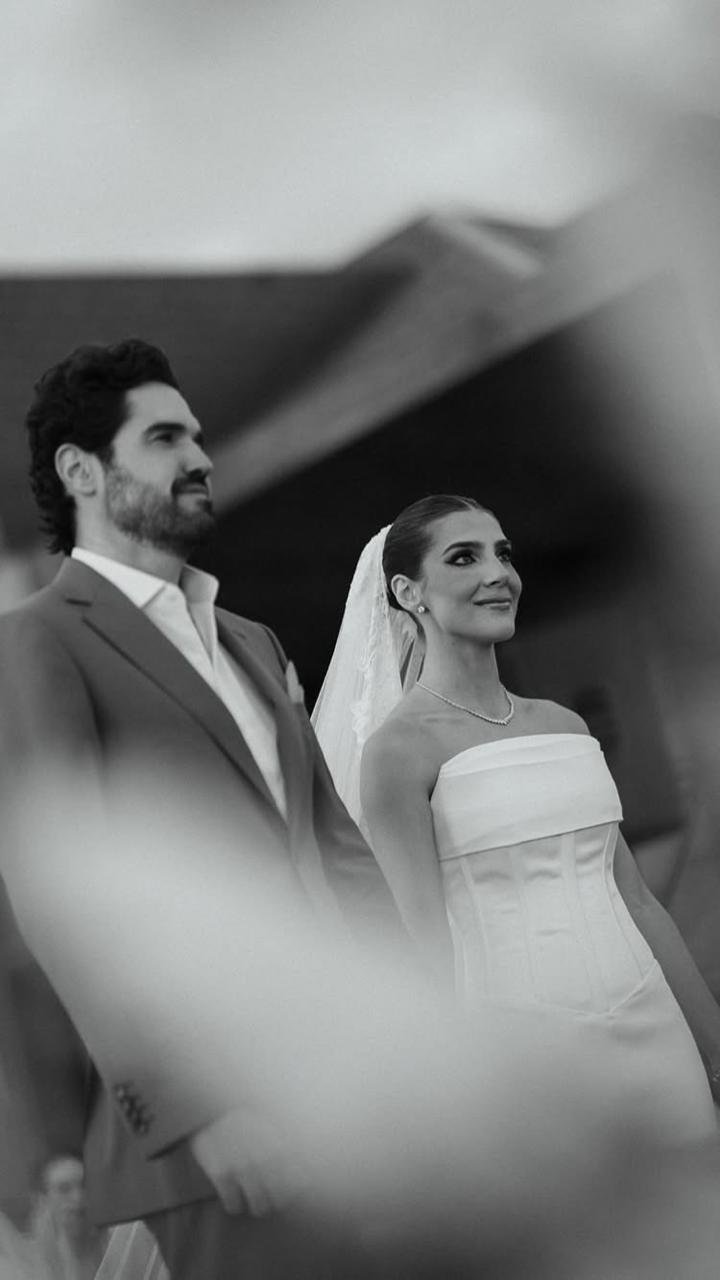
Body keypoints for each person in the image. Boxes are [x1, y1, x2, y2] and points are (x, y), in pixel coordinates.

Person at [0, 339, 401, 1280]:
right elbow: (66, 897)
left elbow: (337, 851)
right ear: (81, 471)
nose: (200, 458)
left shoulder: (251, 640)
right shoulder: (35, 642)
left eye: (198, 436)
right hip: (219, 1132)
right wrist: (197, 1113)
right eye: (165, 438)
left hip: (353, 1101)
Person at [312, 493, 720, 1142]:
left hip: (653, 1022)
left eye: (503, 554)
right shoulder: (398, 750)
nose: (498, 573)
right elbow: (423, 939)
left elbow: (638, 901)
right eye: (464, 558)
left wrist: (711, 1039)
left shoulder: (566, 725)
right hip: (526, 1055)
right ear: (408, 592)